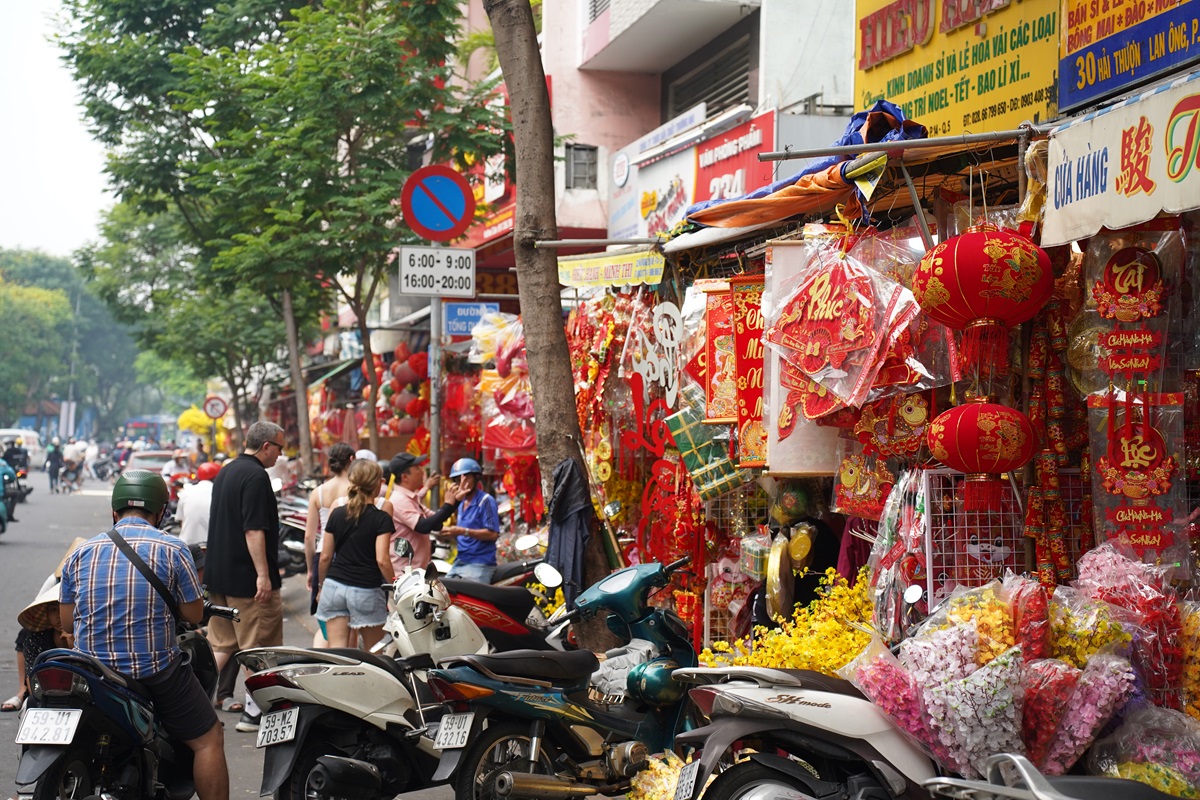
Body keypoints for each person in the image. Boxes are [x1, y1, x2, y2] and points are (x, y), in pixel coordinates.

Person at [58, 471, 228, 800]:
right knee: (209, 739)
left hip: (90, 671)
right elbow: (193, 615)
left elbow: (66, 622)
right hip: (154, 670)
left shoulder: (80, 553)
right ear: (161, 511)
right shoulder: (174, 548)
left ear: (114, 510)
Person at [204, 421, 284, 734]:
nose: (280, 455)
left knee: (222, 646)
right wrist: (263, 575)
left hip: (219, 577)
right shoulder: (256, 476)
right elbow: (253, 530)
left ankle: (185, 706)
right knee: (259, 647)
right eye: (278, 448)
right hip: (247, 581)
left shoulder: (226, 471)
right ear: (265, 446)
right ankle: (254, 714)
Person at [315, 459, 396, 650]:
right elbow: (382, 559)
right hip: (366, 590)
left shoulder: (337, 513)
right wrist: (394, 586)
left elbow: (325, 556)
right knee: (374, 654)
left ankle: (339, 680)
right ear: (376, 484)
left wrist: (320, 586)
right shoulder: (381, 518)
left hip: (333, 588)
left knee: (338, 652)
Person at [304, 443, 356, 647]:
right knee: (350, 625)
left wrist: (310, 570)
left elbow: (309, 537)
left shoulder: (318, 492)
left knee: (326, 626)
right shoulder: (357, 490)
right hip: (349, 558)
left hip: (322, 557)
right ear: (351, 460)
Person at [387, 453, 463, 573]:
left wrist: (456, 501)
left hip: (417, 571)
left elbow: (436, 523)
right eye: (417, 468)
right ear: (405, 477)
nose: (421, 471)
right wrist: (448, 505)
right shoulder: (399, 500)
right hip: (406, 575)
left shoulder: (411, 498)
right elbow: (424, 526)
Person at [440, 458, 500, 582]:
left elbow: (493, 534)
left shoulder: (486, 501)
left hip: (480, 563)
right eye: (458, 480)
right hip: (460, 560)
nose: (463, 483)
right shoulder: (461, 503)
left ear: (476, 477)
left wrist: (463, 531)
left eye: (466, 478)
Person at [177, 461, 220, 547]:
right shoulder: (220, 492)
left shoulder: (186, 492)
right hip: (213, 546)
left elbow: (180, 520)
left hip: (186, 546)